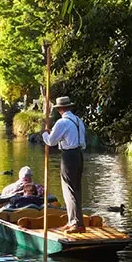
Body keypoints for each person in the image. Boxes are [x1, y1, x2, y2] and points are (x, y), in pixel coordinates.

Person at [42, 96, 87, 233]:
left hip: (69, 156)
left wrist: (45, 133)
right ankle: (74, 221)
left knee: (69, 189)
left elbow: (51, 141)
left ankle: (76, 224)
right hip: (79, 155)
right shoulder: (78, 120)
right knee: (76, 189)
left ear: (60, 109)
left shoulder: (62, 122)